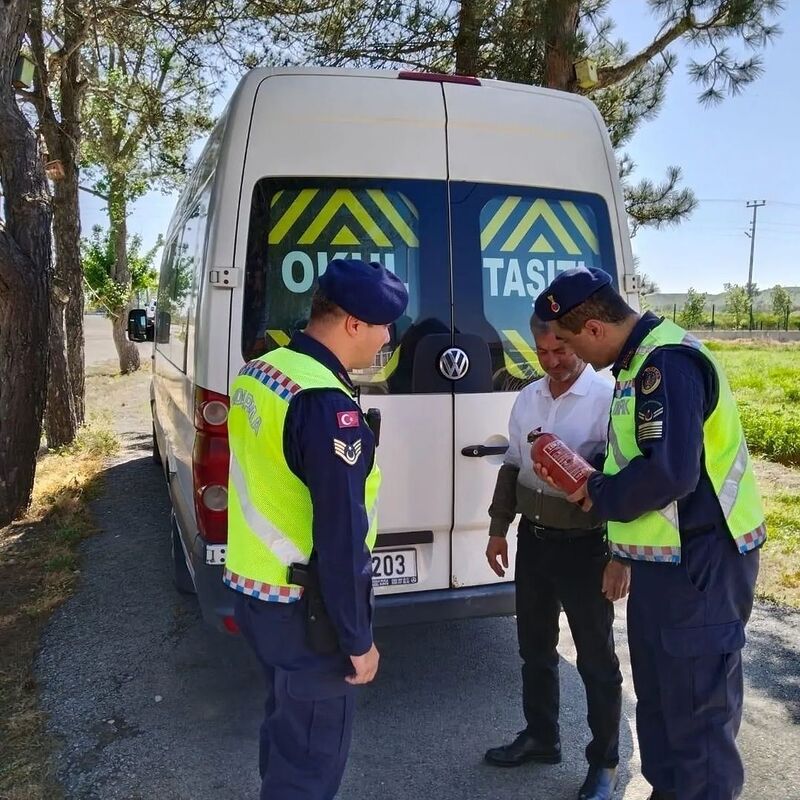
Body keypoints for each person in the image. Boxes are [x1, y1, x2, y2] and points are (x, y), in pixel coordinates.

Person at [533, 268, 765, 800]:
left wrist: (598, 491)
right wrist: (597, 481)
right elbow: (639, 457)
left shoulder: (668, 364)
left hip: (703, 561)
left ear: (593, 328)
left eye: (567, 342)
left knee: (697, 719)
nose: (572, 357)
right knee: (662, 707)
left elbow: (671, 473)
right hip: (666, 563)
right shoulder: (637, 364)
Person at [225, 258, 408, 800]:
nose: (386, 339)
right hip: (307, 612)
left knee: (285, 736)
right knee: (309, 767)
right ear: (353, 323)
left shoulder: (263, 371)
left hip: (255, 591)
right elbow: (340, 535)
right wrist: (357, 639)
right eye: (383, 327)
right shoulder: (325, 402)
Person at [484, 313, 627, 800]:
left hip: (587, 547)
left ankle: (604, 762)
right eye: (542, 353)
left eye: (560, 350)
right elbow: (511, 468)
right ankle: (542, 737)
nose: (552, 362)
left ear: (576, 342)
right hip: (535, 541)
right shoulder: (529, 397)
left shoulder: (608, 398)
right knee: (534, 649)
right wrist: (498, 530)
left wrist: (621, 556)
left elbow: (627, 483)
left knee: (595, 659)